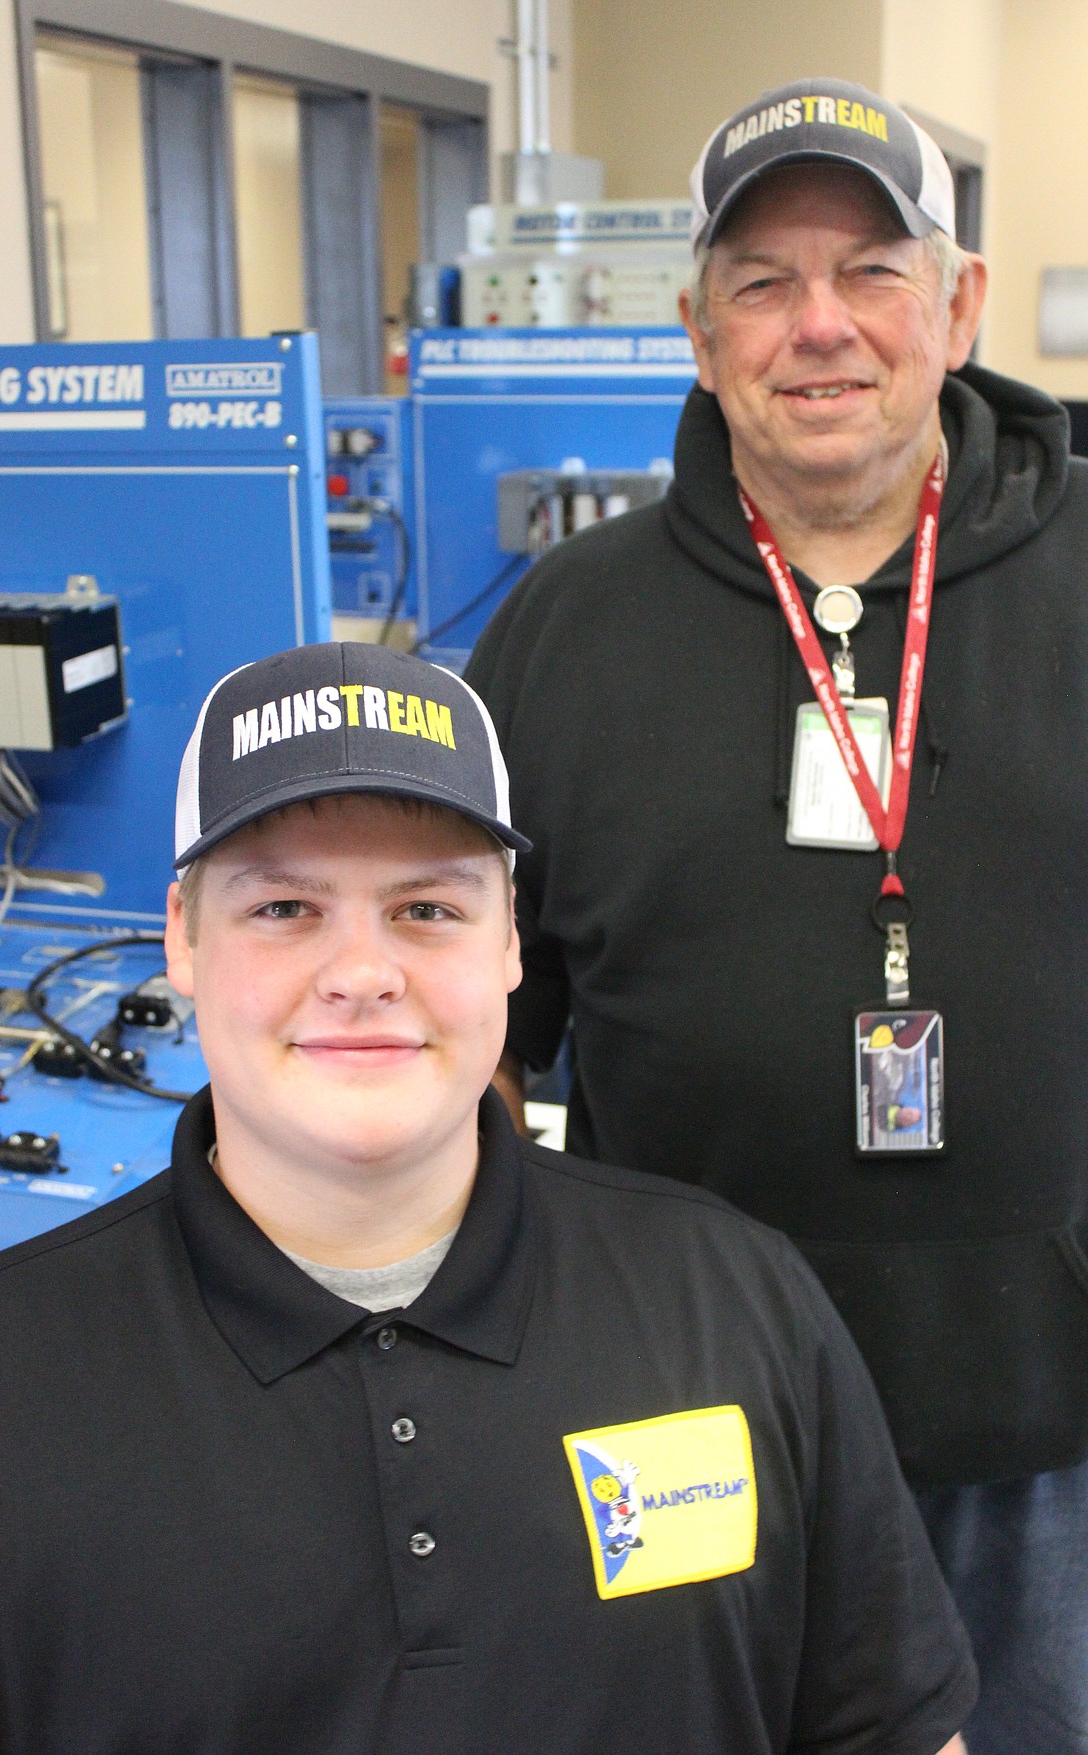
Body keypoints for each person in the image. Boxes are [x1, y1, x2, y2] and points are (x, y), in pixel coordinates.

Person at [0, 641, 973, 1754]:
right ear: (181, 935)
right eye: (283, 907)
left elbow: (887, 1730)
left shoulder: (736, 1301)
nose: (364, 971)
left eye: (426, 909)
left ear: (513, 937)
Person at [465, 76, 1088, 1755]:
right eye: (761, 280)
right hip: (676, 1423)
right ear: (695, 327)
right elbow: (481, 1040)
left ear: (957, 304)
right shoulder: (563, 632)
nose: (820, 325)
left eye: (872, 270)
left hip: (1045, 1441)